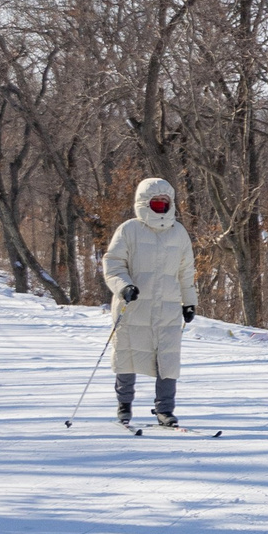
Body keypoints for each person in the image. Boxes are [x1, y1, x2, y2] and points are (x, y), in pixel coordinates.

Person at [101, 177, 199, 427]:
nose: (161, 207)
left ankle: (165, 409)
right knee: (126, 354)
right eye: (155, 202)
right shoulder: (129, 229)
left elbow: (185, 272)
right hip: (134, 306)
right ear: (144, 203)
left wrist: (189, 302)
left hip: (167, 309)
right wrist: (124, 287)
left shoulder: (179, 233)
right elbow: (113, 264)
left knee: (168, 359)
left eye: (165, 202)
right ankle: (124, 405)